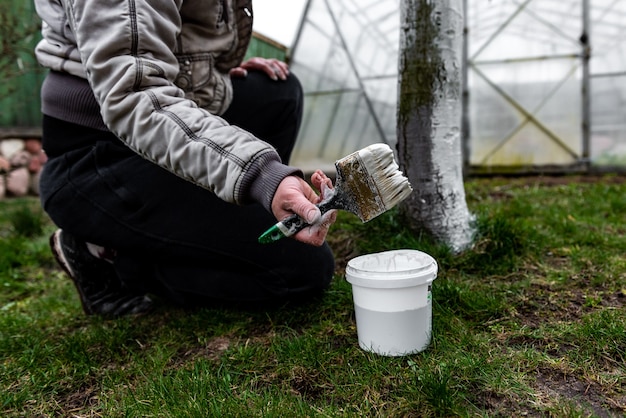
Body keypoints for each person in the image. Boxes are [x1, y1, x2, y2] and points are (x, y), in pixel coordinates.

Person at [33, 0, 337, 317]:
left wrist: (211, 77)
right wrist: (262, 176)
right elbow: (135, 95)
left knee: (277, 92)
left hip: (155, 128)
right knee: (301, 270)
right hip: (97, 157)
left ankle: (222, 228)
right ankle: (107, 257)